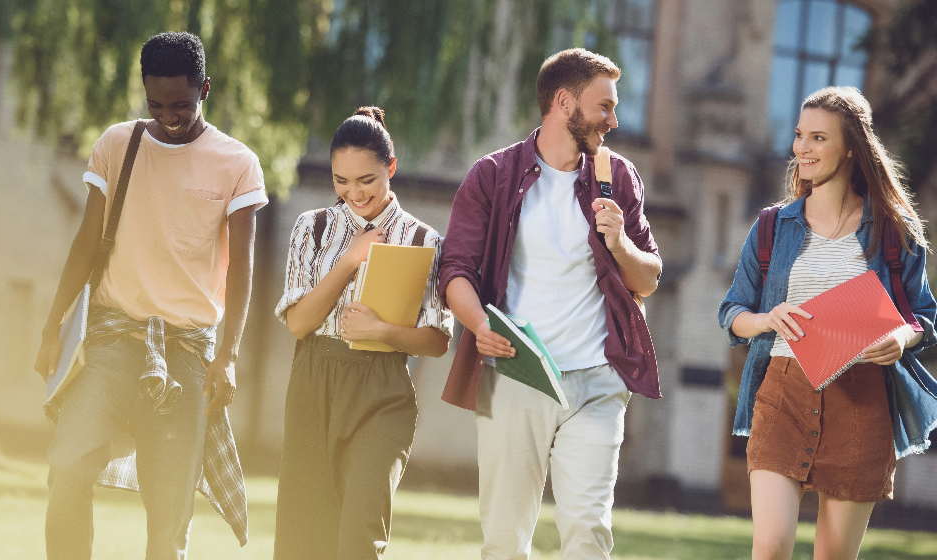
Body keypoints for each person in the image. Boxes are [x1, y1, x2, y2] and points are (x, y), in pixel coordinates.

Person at [34, 32, 265, 560]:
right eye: (156, 104)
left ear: (205, 89)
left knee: (168, 520)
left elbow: (242, 270)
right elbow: (86, 243)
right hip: (112, 344)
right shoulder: (118, 145)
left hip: (185, 357)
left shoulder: (236, 164)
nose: (169, 116)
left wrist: (227, 357)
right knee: (67, 467)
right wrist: (53, 324)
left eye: (182, 104)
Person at [438, 48, 662, 560]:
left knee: (587, 528)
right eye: (603, 106)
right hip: (520, 373)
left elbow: (648, 278)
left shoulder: (618, 178)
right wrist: (478, 323)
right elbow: (455, 270)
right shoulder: (493, 175)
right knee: (504, 536)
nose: (614, 119)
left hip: (598, 380)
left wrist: (620, 242)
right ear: (564, 102)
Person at [719, 86, 937, 560]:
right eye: (800, 136)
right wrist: (766, 319)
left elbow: (923, 315)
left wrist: (901, 336)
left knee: (834, 556)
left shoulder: (891, 229)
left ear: (852, 147)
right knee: (771, 547)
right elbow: (733, 311)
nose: (802, 148)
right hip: (783, 394)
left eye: (819, 137)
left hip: (861, 402)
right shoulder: (773, 226)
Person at [272, 106, 453, 560]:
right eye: (341, 181)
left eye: (366, 180)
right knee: (303, 537)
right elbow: (298, 323)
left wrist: (382, 330)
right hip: (315, 381)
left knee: (359, 536)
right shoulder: (311, 229)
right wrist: (350, 259)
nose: (354, 193)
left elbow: (437, 339)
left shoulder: (422, 239)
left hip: (383, 389)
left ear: (390, 168)